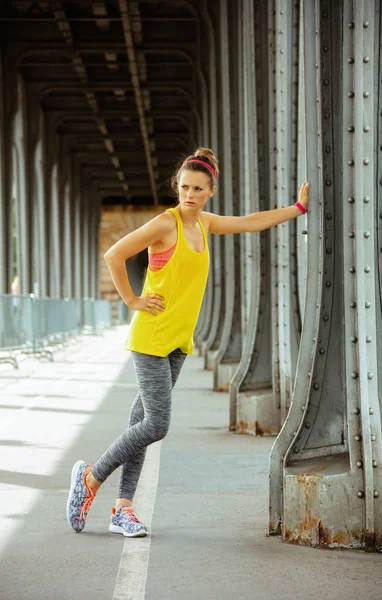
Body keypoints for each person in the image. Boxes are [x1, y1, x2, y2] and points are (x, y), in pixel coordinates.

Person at [66, 147, 309, 538]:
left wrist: (297, 208)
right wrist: (132, 300)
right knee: (156, 424)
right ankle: (91, 478)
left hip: (178, 340)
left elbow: (250, 222)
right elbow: (114, 254)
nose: (189, 194)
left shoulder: (206, 223)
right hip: (151, 336)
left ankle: (121, 509)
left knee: (139, 422)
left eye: (197, 188)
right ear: (176, 188)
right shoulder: (167, 223)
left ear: (210, 190)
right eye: (183, 187)